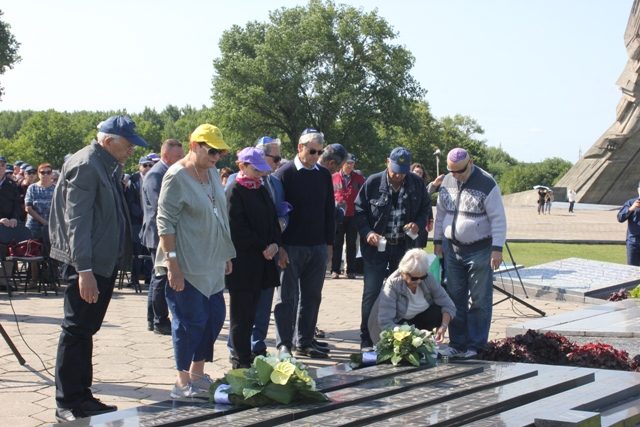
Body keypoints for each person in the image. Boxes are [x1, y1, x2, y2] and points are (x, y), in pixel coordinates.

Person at [48, 115, 147, 422]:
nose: (131, 150)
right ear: (108, 141)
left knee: (86, 330)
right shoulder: (87, 165)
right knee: (75, 329)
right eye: (128, 144)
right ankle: (67, 401)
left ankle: (82, 396)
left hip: (99, 262)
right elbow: (77, 222)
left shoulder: (105, 164)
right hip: (86, 265)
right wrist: (84, 270)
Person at [155, 124, 235, 398]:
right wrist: (172, 266)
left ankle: (198, 374)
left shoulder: (211, 172)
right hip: (186, 265)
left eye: (220, 152)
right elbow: (165, 224)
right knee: (190, 322)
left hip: (212, 262)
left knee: (214, 318)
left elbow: (220, 214)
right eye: (211, 151)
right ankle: (181, 382)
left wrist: (225, 252)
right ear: (194, 146)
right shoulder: (176, 177)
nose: (216, 157)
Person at [354, 147, 431, 351]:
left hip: (402, 249)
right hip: (375, 248)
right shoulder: (372, 182)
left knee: (401, 291)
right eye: (395, 170)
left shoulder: (416, 183)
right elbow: (359, 211)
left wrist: (418, 223)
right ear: (387, 162)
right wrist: (367, 232)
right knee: (371, 292)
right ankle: (366, 337)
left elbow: (425, 209)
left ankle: (398, 336)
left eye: (403, 171)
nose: (398, 175)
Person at [433, 147, 506, 359]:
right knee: (455, 297)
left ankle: (476, 345)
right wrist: (438, 241)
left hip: (481, 248)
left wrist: (497, 249)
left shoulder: (486, 183)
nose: (455, 175)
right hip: (451, 247)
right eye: (451, 171)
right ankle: (457, 343)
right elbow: (441, 214)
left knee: (480, 299)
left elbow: (498, 219)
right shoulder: (447, 181)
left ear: (470, 163)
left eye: (459, 171)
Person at [225, 136, 290, 361]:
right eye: (256, 170)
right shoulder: (234, 190)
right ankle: (239, 357)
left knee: (254, 311)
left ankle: (250, 353)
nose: (261, 174)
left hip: (264, 259)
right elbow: (236, 228)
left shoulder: (260, 188)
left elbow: (272, 218)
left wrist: (275, 243)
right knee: (241, 313)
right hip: (244, 261)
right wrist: (263, 245)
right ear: (242, 166)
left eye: (262, 170)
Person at [273, 128, 335, 359]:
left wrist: (329, 244)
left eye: (319, 152)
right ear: (300, 148)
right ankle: (284, 344)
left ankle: (305, 341)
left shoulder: (323, 175)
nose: (316, 156)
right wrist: (279, 246)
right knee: (287, 297)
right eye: (312, 151)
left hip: (316, 245)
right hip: (291, 246)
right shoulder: (285, 173)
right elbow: (276, 214)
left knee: (312, 296)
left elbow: (329, 210)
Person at [140, 139, 184, 334]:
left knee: (157, 276)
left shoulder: (165, 172)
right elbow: (162, 206)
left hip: (162, 232)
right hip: (157, 233)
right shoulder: (156, 175)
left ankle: (153, 319)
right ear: (166, 156)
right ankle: (159, 320)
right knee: (161, 276)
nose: (181, 160)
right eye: (178, 156)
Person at [367, 248, 456, 345]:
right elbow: (385, 322)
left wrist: (443, 326)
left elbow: (448, 304)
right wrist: (415, 334)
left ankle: (425, 343)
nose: (419, 281)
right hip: (397, 327)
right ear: (403, 273)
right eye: (414, 278)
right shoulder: (392, 284)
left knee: (436, 311)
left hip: (417, 321)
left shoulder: (428, 278)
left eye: (422, 277)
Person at [331, 153, 365, 279]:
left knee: (351, 244)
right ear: (342, 163)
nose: (350, 166)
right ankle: (335, 270)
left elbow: (363, 195)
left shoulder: (359, 178)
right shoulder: (333, 177)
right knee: (337, 243)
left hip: (353, 215)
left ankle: (351, 270)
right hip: (338, 215)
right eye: (348, 163)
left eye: (352, 163)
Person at [125, 156, 154, 289]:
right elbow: (130, 201)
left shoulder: (154, 178)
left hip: (150, 221)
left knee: (148, 250)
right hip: (137, 221)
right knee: (136, 251)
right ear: (139, 166)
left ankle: (148, 278)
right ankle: (135, 278)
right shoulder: (133, 180)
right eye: (145, 165)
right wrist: (142, 215)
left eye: (150, 165)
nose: (148, 168)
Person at [24, 163, 56, 245]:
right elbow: (28, 208)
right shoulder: (32, 188)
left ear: (51, 174)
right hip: (33, 227)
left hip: (51, 227)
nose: (45, 175)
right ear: (38, 174)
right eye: (42, 172)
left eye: (48, 172)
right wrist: (43, 222)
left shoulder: (56, 189)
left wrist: (50, 223)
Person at [617, 184, 640, 266]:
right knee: (632, 271)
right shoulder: (631, 203)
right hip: (633, 243)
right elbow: (620, 218)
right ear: (638, 190)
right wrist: (631, 209)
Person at [0, 155, 21, 228]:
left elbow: (17, 202)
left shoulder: (11, 184)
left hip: (9, 224)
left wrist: (14, 218)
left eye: (2, 165)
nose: (0, 167)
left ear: (5, 167)